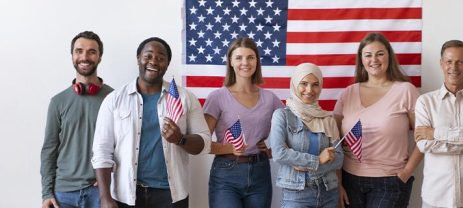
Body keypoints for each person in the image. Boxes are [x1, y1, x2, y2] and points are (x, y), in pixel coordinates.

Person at [91, 37, 211, 208]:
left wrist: (180, 139)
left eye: (161, 58)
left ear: (167, 64)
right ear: (138, 58)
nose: (154, 61)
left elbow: (205, 142)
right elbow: (102, 150)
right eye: (148, 56)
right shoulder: (114, 100)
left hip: (171, 195)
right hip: (127, 195)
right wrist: (105, 197)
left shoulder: (185, 98)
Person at [333, 32, 421, 208]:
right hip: (350, 179)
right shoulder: (348, 93)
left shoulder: (406, 90)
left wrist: (406, 173)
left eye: (380, 53)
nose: (374, 59)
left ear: (389, 56)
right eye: (368, 55)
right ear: (361, 60)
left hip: (391, 181)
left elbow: (424, 136)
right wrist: (338, 183)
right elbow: (333, 140)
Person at [413, 40, 463, 208]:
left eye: (460, 62)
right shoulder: (425, 102)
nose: (454, 67)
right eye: (449, 61)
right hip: (436, 197)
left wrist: (436, 133)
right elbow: (424, 145)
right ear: (441, 64)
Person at [203, 37, 282, 208]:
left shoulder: (270, 98)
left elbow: (292, 130)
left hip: (260, 172)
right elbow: (202, 142)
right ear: (230, 61)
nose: (245, 62)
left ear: (257, 61)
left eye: (250, 57)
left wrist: (272, 151)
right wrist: (229, 148)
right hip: (226, 174)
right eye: (239, 57)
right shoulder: (217, 97)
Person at [41, 31, 113, 208]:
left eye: (91, 51)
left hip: (100, 192)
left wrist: (111, 175)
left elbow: (125, 144)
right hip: (63, 194)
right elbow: (49, 149)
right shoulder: (58, 101)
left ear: (100, 57)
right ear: (72, 55)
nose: (84, 57)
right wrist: (47, 193)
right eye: (79, 51)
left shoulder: (114, 98)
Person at [269, 63, 344, 208]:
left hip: (328, 191)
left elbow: (339, 158)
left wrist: (303, 165)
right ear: (295, 84)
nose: (309, 90)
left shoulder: (327, 119)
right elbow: (278, 153)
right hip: (296, 194)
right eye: (304, 83)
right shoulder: (282, 116)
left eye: (315, 84)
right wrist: (317, 160)